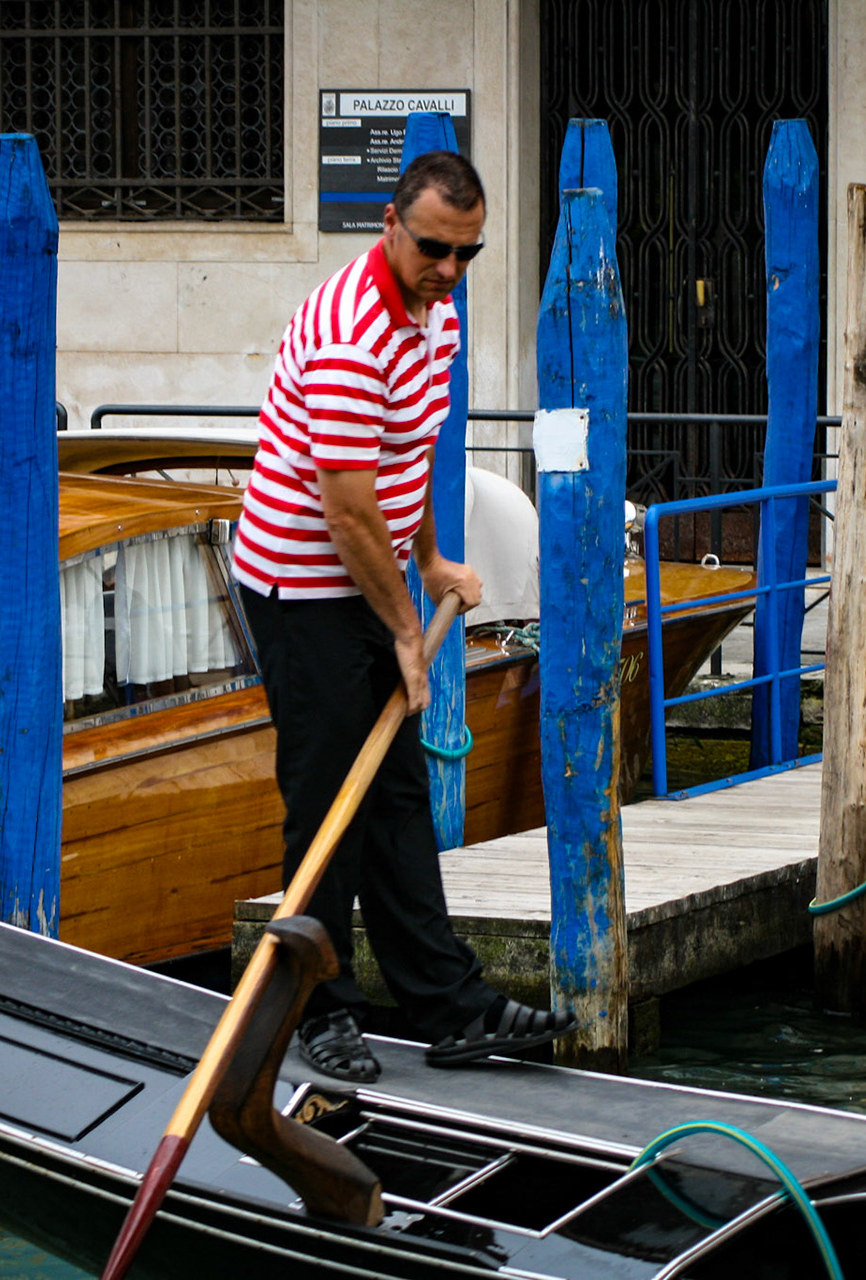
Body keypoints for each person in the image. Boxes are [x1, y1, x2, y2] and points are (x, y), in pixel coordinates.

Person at [230, 151, 577, 1083]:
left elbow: (406, 458)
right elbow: (345, 507)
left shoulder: (437, 314)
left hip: (368, 574)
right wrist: (399, 628)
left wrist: (427, 562)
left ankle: (447, 1006)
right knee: (329, 803)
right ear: (389, 222)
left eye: (468, 253)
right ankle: (314, 1011)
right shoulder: (351, 334)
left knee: (395, 797)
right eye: (434, 249)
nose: (450, 271)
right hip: (300, 589)